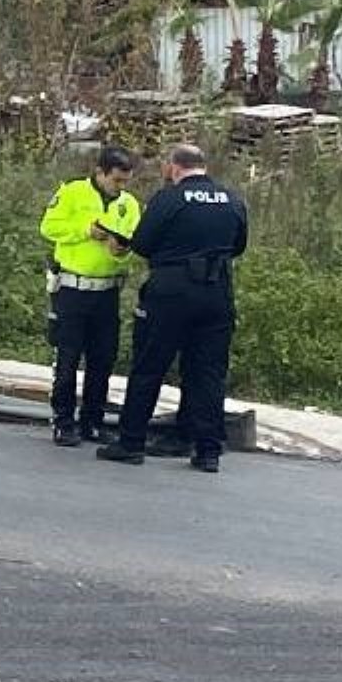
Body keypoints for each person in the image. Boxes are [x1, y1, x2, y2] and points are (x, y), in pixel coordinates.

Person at [97, 144, 248, 473]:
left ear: (174, 167)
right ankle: (206, 450)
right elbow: (238, 245)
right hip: (217, 291)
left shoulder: (169, 198)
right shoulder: (232, 199)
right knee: (208, 372)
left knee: (149, 365)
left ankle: (131, 442)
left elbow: (143, 243)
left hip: (171, 291)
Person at [39, 146, 142, 447]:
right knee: (68, 358)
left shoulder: (129, 204)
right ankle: (63, 421)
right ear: (100, 172)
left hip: (107, 291)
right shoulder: (73, 192)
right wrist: (86, 230)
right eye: (116, 180)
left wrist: (121, 252)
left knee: (103, 359)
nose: (120, 187)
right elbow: (49, 227)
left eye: (125, 182)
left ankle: (92, 421)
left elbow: (133, 242)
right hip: (73, 289)